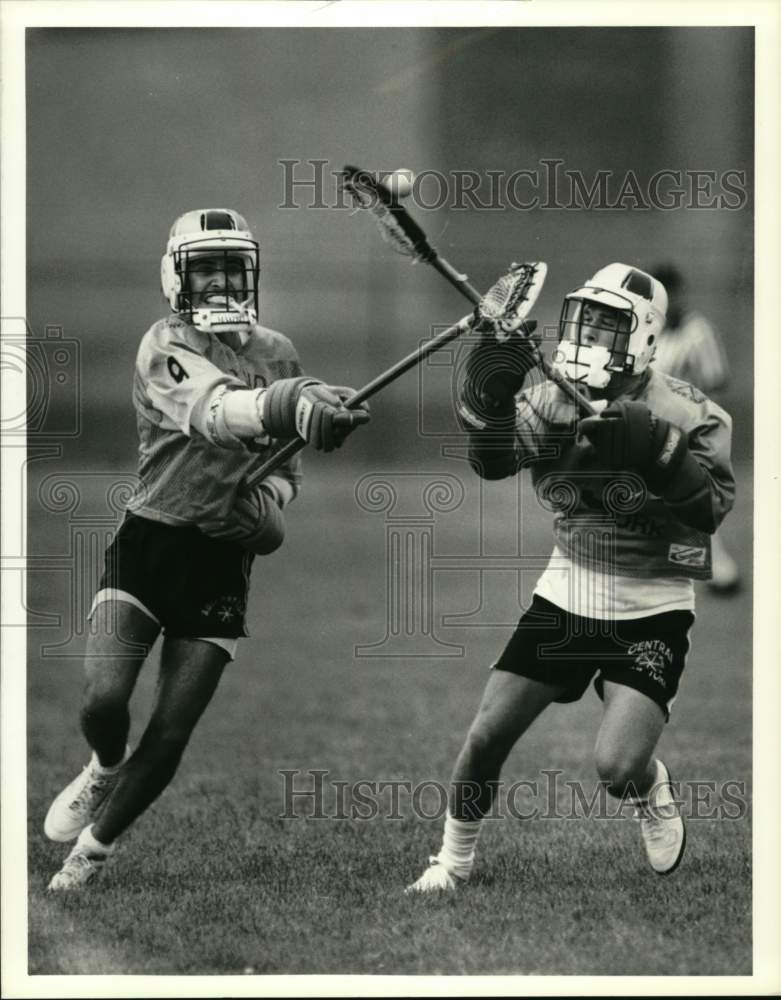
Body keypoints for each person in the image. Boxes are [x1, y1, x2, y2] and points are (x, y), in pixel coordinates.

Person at [44, 208, 370, 890]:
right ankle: (103, 767)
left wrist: (268, 508)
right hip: (151, 539)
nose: (221, 281)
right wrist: (298, 403)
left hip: (221, 561)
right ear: (175, 276)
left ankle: (92, 854)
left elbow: (286, 467)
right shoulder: (161, 343)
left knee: (170, 730)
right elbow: (219, 413)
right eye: (206, 267)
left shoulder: (278, 352)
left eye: (232, 266)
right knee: (103, 701)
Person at [406, 263, 735, 892]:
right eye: (584, 320)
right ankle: (451, 862)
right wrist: (490, 398)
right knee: (486, 735)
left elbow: (711, 509)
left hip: (653, 600)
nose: (588, 336)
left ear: (643, 337)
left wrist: (661, 455)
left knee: (616, 766)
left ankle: (648, 788)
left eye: (609, 327)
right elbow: (492, 463)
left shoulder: (692, 412)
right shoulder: (554, 392)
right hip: (569, 588)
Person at [650, 263, 739, 592]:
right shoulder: (649, 332)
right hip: (651, 432)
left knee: (685, 502)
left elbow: (716, 381)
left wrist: (702, 426)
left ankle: (719, 571)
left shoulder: (697, 331)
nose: (671, 301)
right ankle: (710, 569)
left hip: (687, 431)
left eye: (673, 293)